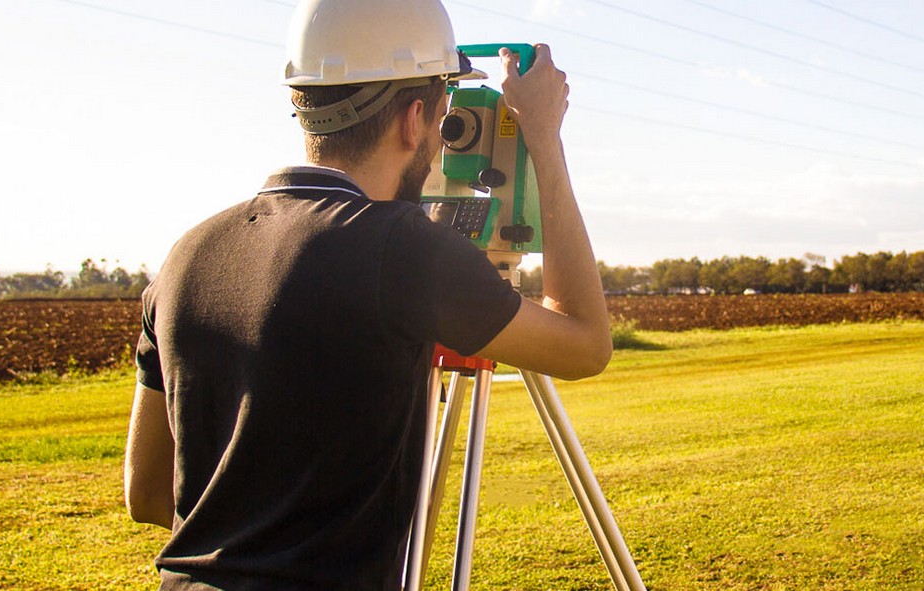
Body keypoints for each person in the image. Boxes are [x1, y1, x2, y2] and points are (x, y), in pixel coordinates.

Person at [120, 0, 612, 587]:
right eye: (442, 116)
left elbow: (149, 495)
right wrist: (543, 140)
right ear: (414, 119)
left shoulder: (187, 254)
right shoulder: (400, 250)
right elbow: (585, 345)